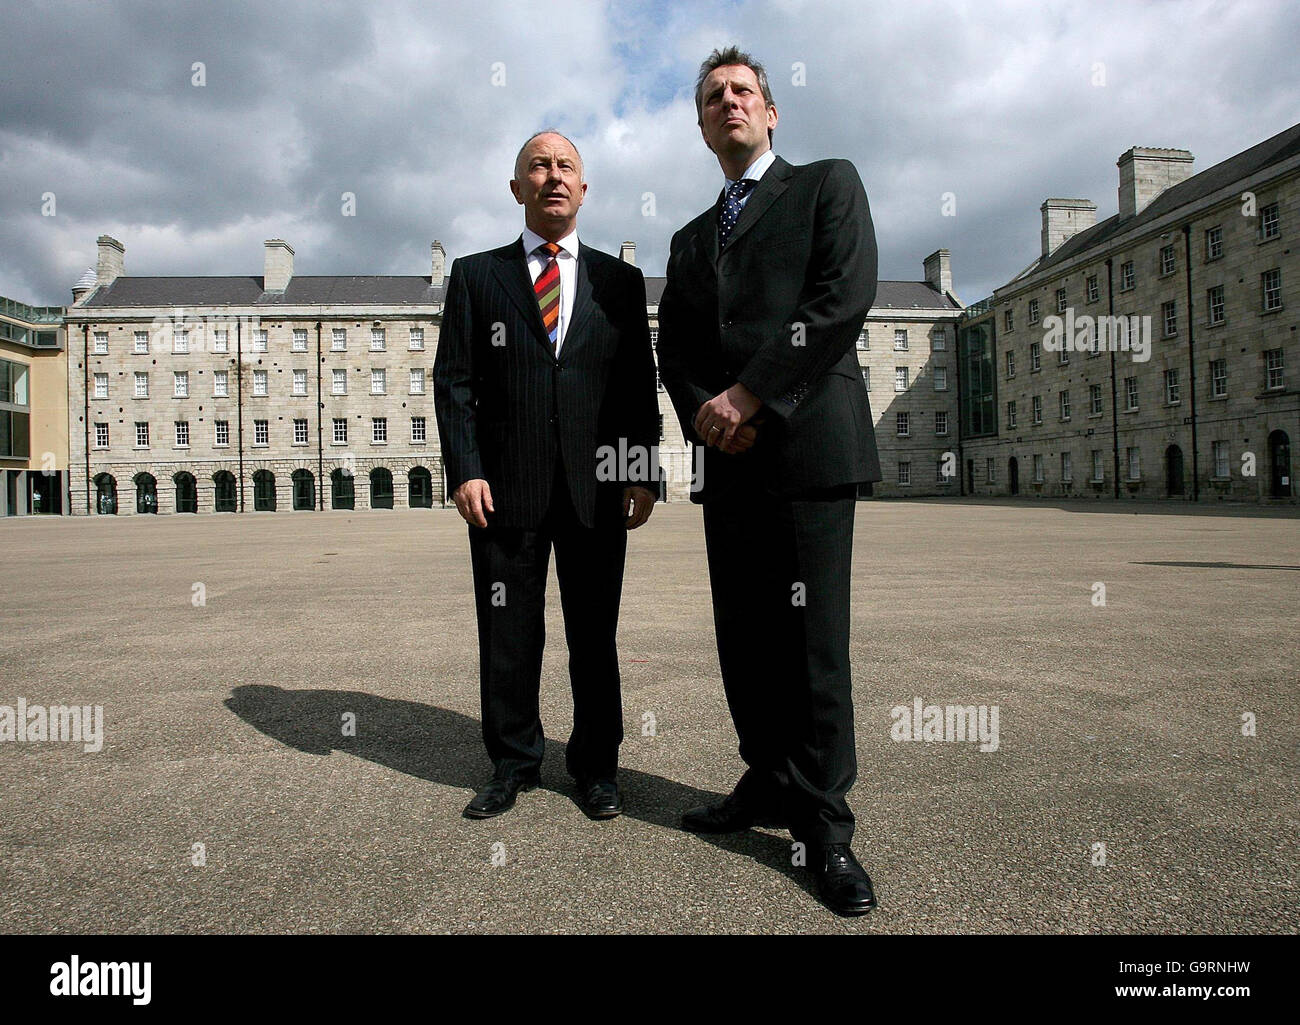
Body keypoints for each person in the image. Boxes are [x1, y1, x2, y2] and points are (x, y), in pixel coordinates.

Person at [656, 47, 883, 916]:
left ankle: (824, 826)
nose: (727, 103)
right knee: (744, 637)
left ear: (772, 111)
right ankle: (765, 774)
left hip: (806, 448)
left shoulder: (828, 184)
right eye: (712, 96)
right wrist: (708, 415)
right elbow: (672, 347)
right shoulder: (688, 238)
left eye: (742, 91)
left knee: (812, 645)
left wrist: (750, 395)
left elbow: (838, 299)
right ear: (701, 123)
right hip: (730, 459)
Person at [433, 131, 659, 821]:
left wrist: (642, 470)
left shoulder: (619, 283)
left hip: (596, 488)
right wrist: (465, 469)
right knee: (508, 631)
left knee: (594, 634)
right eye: (539, 166)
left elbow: (634, 388)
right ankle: (513, 761)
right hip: (505, 489)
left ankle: (596, 766)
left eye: (566, 167)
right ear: (516, 187)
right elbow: (455, 381)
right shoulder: (476, 275)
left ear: (583, 190)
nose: (552, 176)